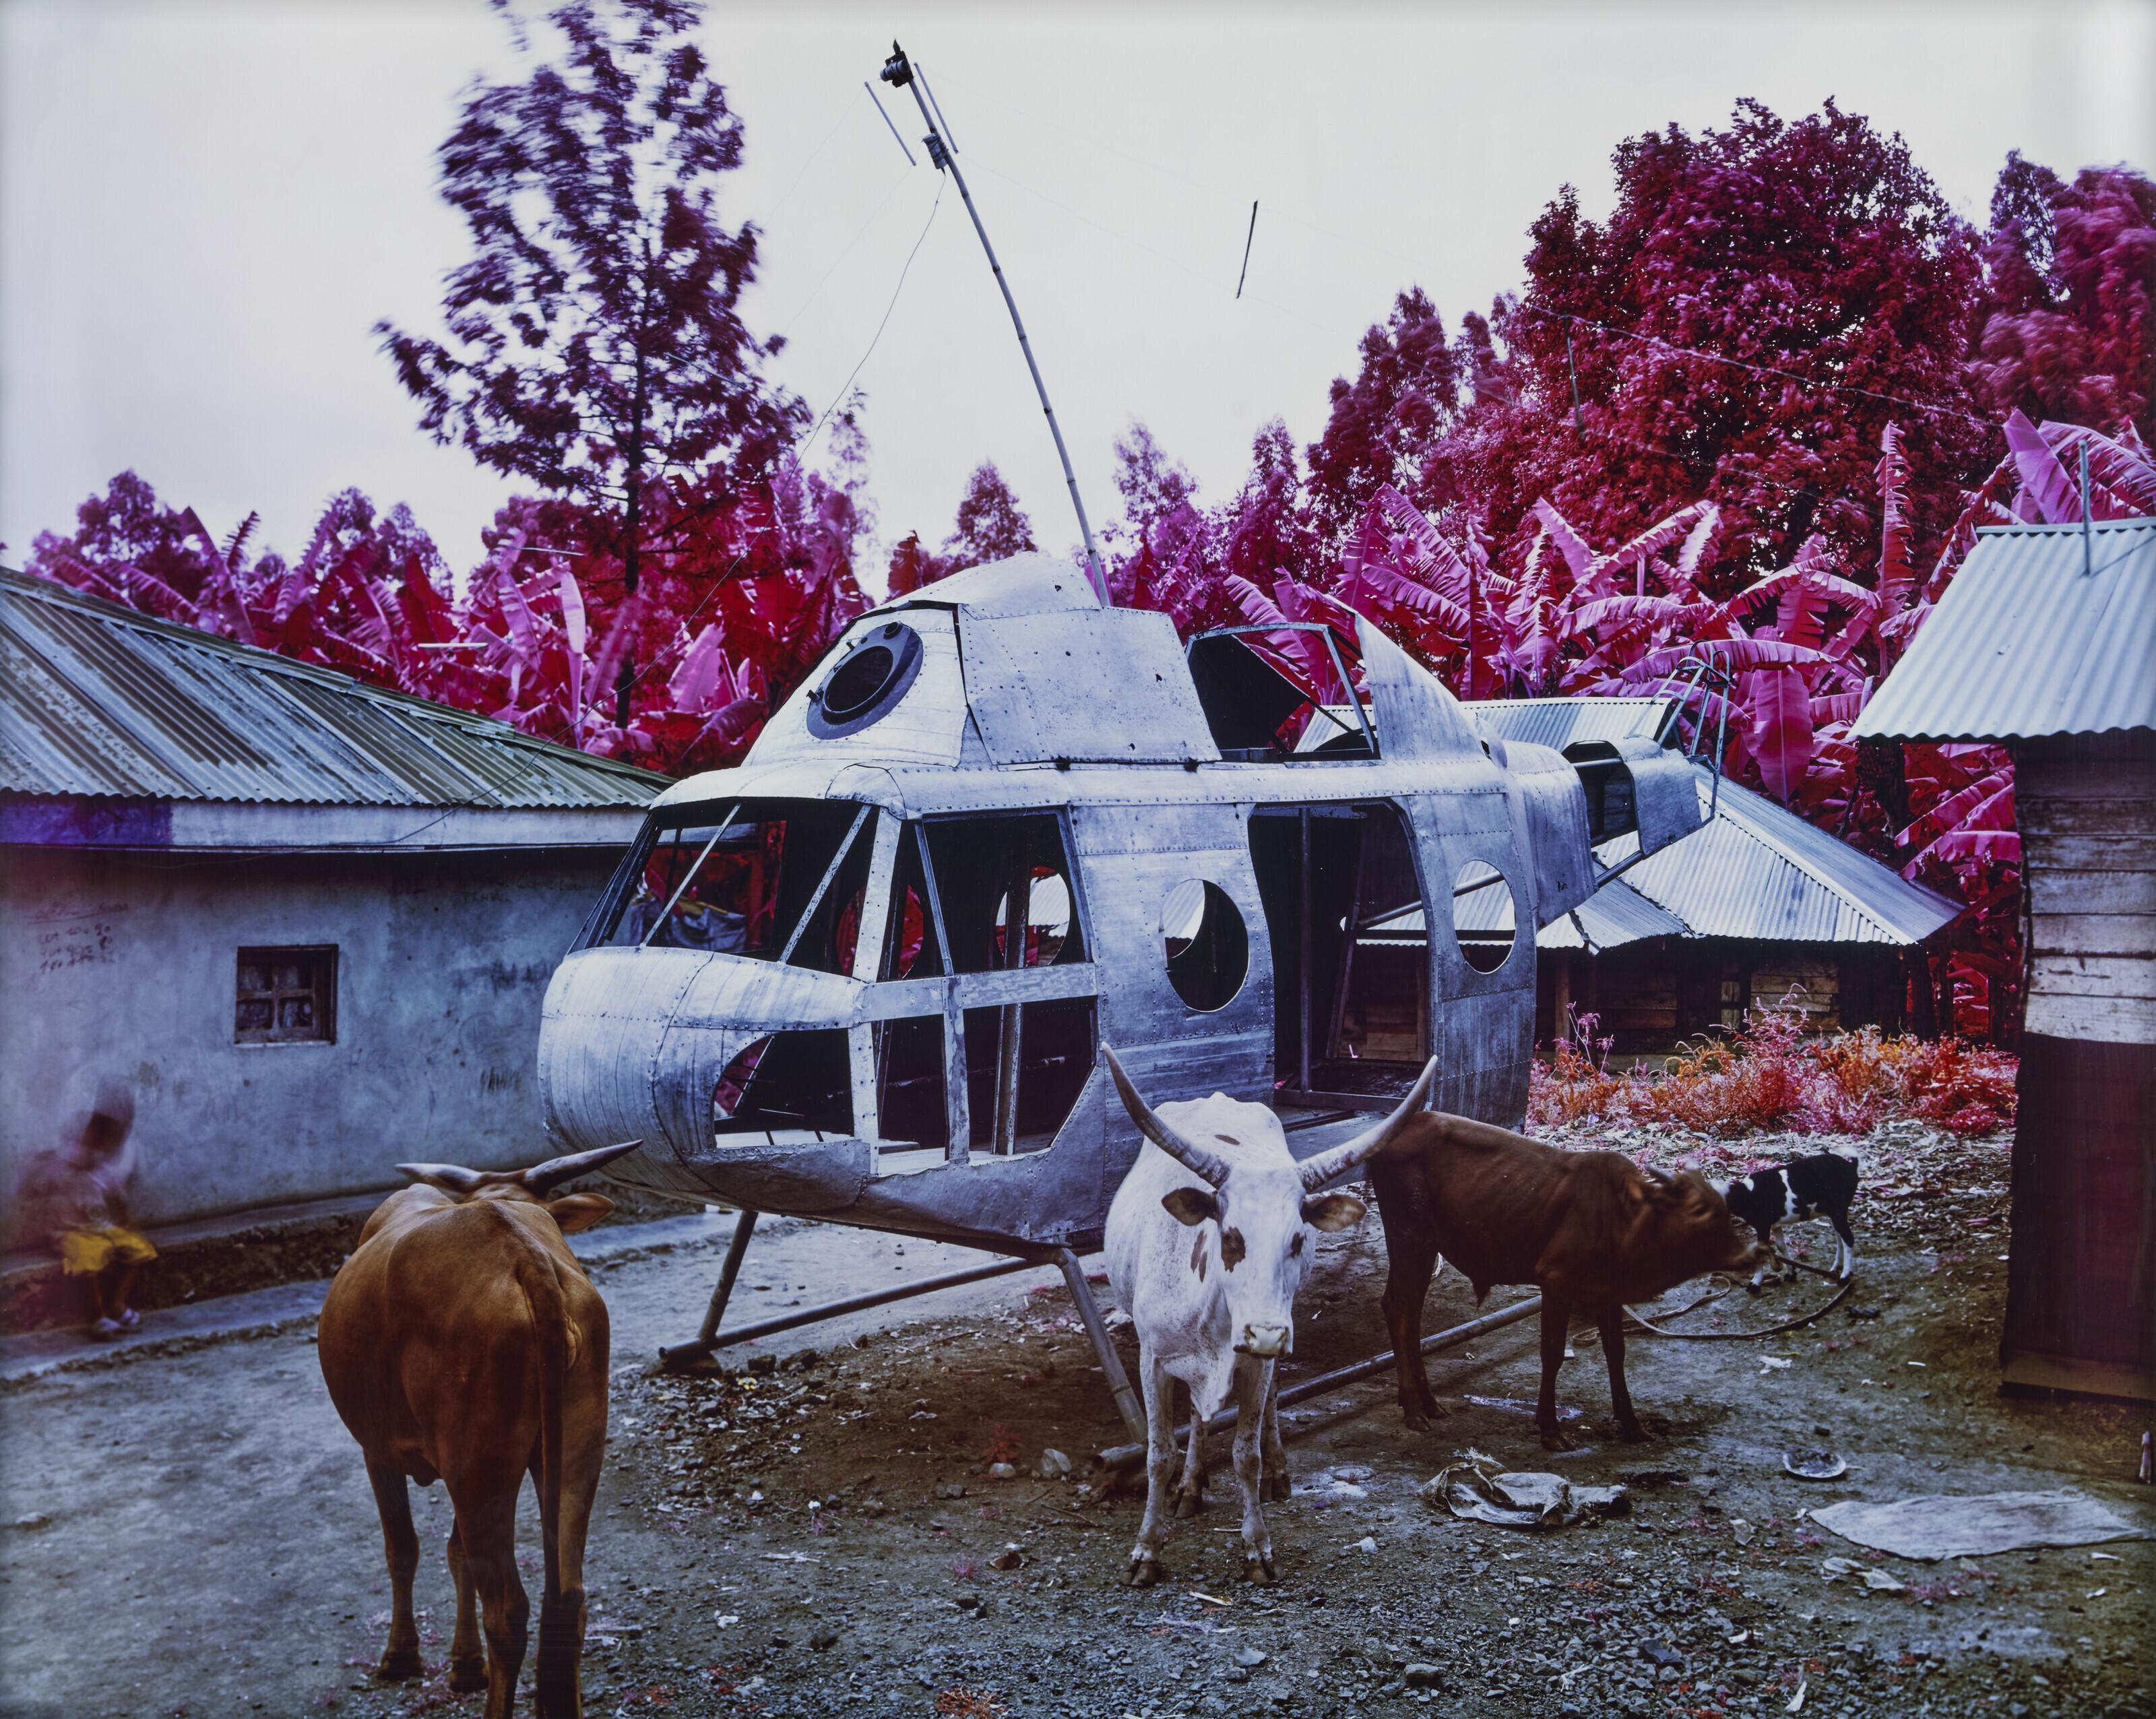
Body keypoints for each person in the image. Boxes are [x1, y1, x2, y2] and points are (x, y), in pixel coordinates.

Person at [15, 1082, 155, 1338]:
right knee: (88, 1256)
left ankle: (117, 1304)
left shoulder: (103, 1169)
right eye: (92, 1138)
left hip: (101, 1228)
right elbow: (37, 1181)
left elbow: (117, 1200)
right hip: (70, 1232)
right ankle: (98, 1316)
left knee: (138, 1249)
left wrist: (123, 1223)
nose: (95, 1146)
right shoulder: (63, 1164)